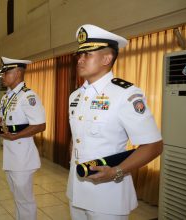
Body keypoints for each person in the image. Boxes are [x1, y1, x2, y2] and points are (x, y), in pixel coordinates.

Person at [67, 24, 163, 220]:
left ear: (107, 58)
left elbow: (154, 145)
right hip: (76, 189)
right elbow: (77, 136)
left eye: (87, 54)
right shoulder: (75, 96)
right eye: (79, 54)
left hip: (107, 194)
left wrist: (116, 172)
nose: (80, 59)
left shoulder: (125, 94)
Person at [0, 57, 46, 220]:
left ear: (18, 72)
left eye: (6, 73)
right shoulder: (7, 97)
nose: (3, 76)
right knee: (18, 198)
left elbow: (40, 125)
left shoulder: (28, 96)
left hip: (23, 156)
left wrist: (16, 136)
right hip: (11, 154)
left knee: (25, 200)